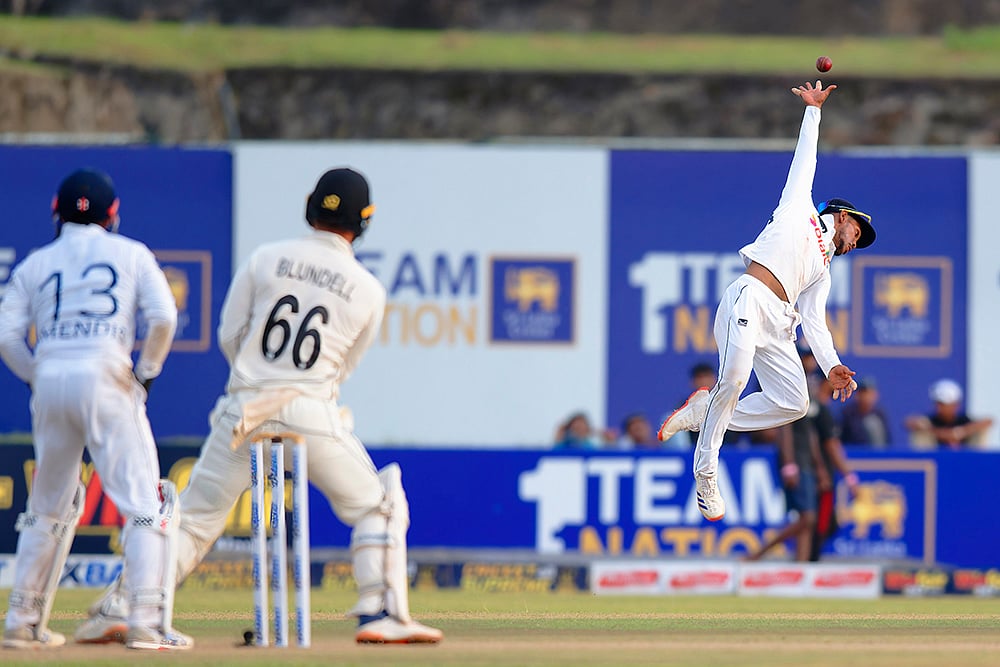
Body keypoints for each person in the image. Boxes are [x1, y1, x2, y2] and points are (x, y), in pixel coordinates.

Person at [75, 167, 443, 645]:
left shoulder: (266, 258)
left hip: (243, 406)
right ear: (364, 221)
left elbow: (230, 336)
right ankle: (380, 612)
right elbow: (344, 368)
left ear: (311, 207)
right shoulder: (369, 289)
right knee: (379, 503)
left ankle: (124, 606)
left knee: (196, 518)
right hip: (311, 408)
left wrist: (256, 380)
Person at [656, 80, 876, 521]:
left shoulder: (823, 270)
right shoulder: (800, 208)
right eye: (858, 233)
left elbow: (814, 322)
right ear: (844, 216)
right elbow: (805, 161)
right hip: (749, 298)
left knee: (794, 402)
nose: (857, 242)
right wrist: (812, 111)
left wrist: (831, 365)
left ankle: (704, 408)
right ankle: (706, 473)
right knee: (735, 379)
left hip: (779, 323)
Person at [0, 168, 187, 650]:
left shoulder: (35, 264)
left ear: (55, 214)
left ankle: (22, 621)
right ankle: (146, 620)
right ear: (114, 214)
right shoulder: (131, 253)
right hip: (107, 374)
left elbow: (5, 336)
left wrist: (37, 374)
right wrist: (145, 372)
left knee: (48, 508)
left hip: (52, 378)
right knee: (147, 503)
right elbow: (164, 317)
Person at [904, 379, 993, 450]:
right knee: (921, 432)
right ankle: (923, 464)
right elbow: (910, 422)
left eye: (945, 404)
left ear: (956, 405)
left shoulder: (963, 420)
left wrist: (960, 432)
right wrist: (946, 434)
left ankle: (978, 464)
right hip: (936, 461)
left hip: (966, 461)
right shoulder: (930, 421)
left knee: (980, 432)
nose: (941, 407)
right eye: (938, 403)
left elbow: (988, 421)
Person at [838, 376, 892, 448]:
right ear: (857, 395)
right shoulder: (847, 415)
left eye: (870, 393)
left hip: (878, 458)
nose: (867, 397)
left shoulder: (880, 414)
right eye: (864, 393)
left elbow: (887, 440)